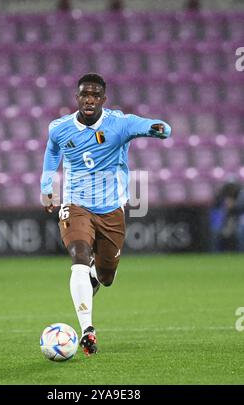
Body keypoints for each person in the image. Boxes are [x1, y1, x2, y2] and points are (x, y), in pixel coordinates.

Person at [40, 73, 171, 356]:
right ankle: (88, 329)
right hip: (76, 204)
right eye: (85, 94)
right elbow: (52, 151)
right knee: (78, 253)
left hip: (111, 208)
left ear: (103, 99)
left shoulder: (120, 124)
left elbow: (156, 127)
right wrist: (46, 185)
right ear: (77, 98)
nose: (89, 99)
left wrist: (159, 128)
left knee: (106, 276)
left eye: (95, 95)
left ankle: (92, 277)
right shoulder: (60, 128)